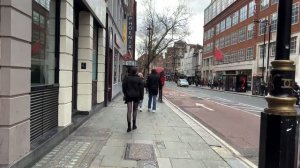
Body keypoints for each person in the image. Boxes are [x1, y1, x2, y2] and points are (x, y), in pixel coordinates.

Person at [122, 67, 144, 132]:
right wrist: (141, 97)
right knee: (135, 110)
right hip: (136, 96)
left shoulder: (126, 78)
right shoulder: (139, 79)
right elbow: (141, 89)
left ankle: (129, 127)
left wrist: (125, 94)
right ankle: (134, 125)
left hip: (128, 95)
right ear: (136, 72)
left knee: (129, 111)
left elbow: (123, 87)